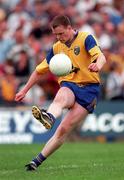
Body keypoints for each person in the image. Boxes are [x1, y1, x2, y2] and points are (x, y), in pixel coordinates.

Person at [15, 15, 106, 171]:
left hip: (89, 90)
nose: (59, 38)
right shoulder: (57, 47)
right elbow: (38, 71)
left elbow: (101, 57)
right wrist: (24, 90)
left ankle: (36, 161)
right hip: (70, 84)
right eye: (56, 35)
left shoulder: (85, 38)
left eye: (62, 34)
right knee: (62, 95)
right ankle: (49, 117)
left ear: (70, 28)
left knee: (63, 130)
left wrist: (97, 65)